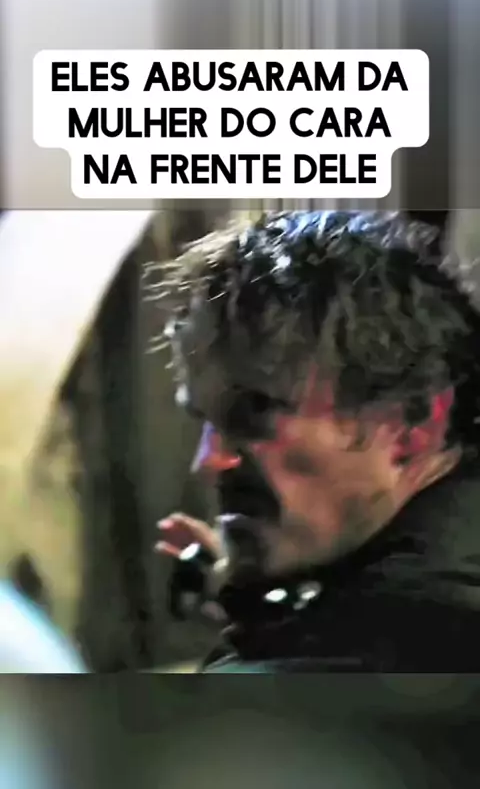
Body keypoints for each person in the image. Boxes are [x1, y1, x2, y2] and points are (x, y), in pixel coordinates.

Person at [156, 210, 480, 672]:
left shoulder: (399, 639)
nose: (209, 462)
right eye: (206, 422)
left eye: (255, 412)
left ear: (414, 425)